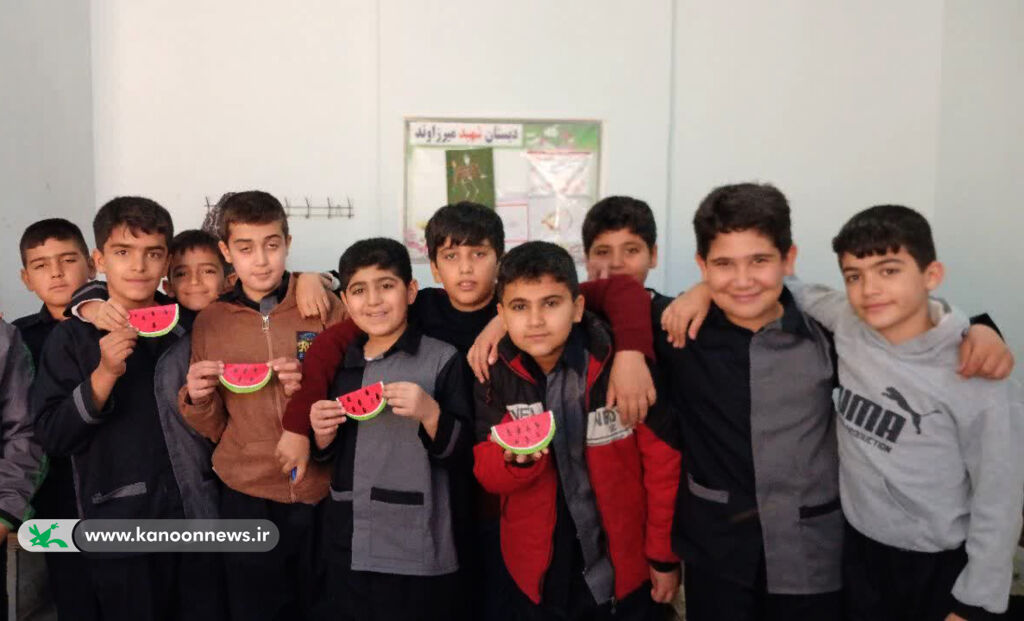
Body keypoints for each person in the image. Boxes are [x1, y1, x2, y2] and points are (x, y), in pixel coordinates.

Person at [786, 205, 1023, 620]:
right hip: (859, 548)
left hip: (937, 564)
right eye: (854, 276)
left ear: (931, 275)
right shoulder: (848, 322)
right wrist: (699, 293)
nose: (869, 289)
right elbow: (798, 291)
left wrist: (975, 603)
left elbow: (1000, 498)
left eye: (889, 270)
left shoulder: (979, 375)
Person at [31, 196, 218, 619]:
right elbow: (53, 435)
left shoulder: (192, 328)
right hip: (119, 525)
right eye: (122, 252)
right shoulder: (72, 337)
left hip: (195, 519)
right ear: (99, 260)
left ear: (166, 261)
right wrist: (104, 375)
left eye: (152, 254)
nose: (138, 266)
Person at [473, 241, 681, 620]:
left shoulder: (624, 369)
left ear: (578, 307)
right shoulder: (493, 376)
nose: (535, 320)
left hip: (625, 569)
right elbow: (486, 471)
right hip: (538, 576)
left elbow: (663, 468)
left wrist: (662, 556)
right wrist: (515, 463)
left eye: (551, 303)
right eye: (520, 307)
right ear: (501, 314)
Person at [178, 190, 345, 620]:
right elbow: (214, 426)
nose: (261, 260)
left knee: (325, 606)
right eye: (245, 248)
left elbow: (356, 388)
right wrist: (197, 398)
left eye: (272, 245)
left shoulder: (322, 305)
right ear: (226, 252)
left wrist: (310, 393)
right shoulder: (211, 321)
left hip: (320, 487)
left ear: (288, 242)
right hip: (245, 491)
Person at [307, 237, 473, 620]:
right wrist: (322, 435)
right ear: (345, 301)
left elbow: (466, 454)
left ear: (411, 291)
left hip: (417, 541)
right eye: (359, 291)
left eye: (386, 285)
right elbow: (331, 456)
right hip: (349, 536)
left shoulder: (443, 359)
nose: (374, 301)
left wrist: (430, 414)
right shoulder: (342, 364)